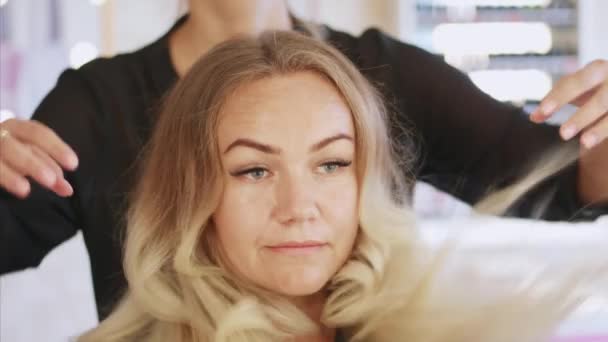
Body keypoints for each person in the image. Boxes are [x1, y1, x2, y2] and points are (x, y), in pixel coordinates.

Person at [0, 0, 606, 321]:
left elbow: (560, 182)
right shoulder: (96, 107)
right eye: (252, 169)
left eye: (332, 163)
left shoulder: (389, 75)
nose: (297, 210)